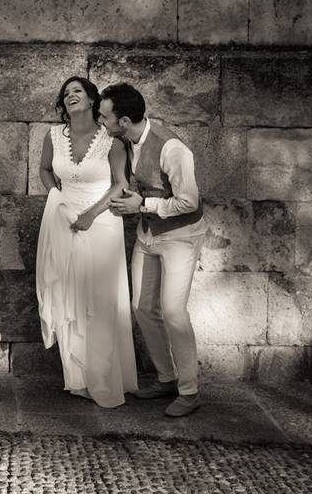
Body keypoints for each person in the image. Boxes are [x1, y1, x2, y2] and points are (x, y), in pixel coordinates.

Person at [100, 82, 208, 418]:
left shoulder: (172, 148)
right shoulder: (125, 142)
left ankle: (189, 392)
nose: (101, 122)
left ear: (125, 120)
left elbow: (189, 201)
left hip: (180, 237)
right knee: (142, 307)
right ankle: (167, 379)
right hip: (148, 235)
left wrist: (142, 204)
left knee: (173, 311)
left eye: (105, 117)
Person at [35, 76, 138, 408]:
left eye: (77, 91)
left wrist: (91, 215)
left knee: (99, 302)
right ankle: (77, 378)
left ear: (93, 99)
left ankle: (104, 377)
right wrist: (58, 200)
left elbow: (120, 184)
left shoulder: (113, 141)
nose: (70, 96)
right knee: (69, 299)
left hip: (101, 221)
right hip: (64, 220)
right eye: (65, 94)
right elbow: (45, 170)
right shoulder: (53, 136)